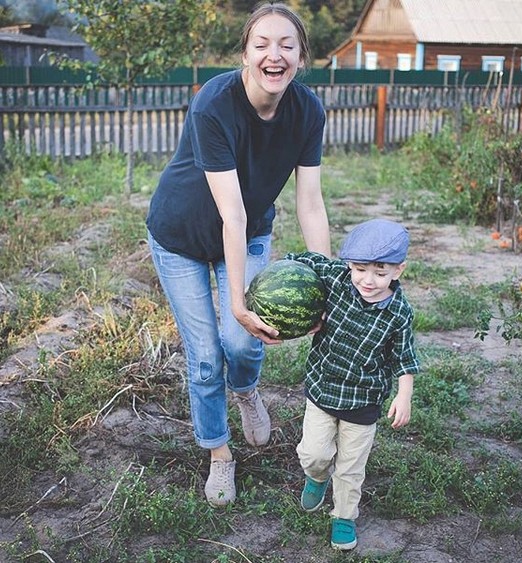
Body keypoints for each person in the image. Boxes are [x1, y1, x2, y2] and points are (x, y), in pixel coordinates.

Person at [146, 2, 331, 507]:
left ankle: (246, 392)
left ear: (300, 56)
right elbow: (232, 213)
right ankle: (219, 455)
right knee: (207, 356)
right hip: (181, 235)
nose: (275, 55)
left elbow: (310, 203)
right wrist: (236, 302)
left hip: (248, 235)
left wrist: (327, 287)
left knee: (246, 344)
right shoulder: (214, 102)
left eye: (287, 45)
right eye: (263, 44)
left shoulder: (308, 111)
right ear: (246, 54)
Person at [285, 218, 419, 551]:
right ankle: (317, 476)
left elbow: (405, 357)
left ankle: (344, 516)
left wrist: (404, 395)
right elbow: (302, 261)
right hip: (322, 389)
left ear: (398, 271)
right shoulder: (337, 278)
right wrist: (284, 279)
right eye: (360, 269)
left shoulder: (399, 313)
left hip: (363, 401)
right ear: (348, 264)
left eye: (380, 272)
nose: (368, 280)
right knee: (314, 453)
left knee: (350, 467)